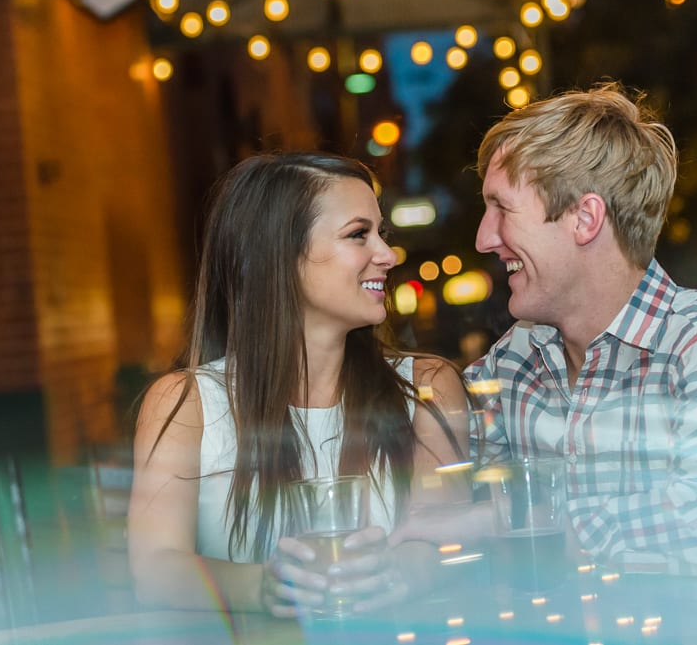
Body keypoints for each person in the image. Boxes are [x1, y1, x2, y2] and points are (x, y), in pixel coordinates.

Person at [127, 152, 469, 616]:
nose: (387, 256)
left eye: (381, 234)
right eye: (358, 235)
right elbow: (155, 569)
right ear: (279, 257)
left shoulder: (426, 388)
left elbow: (444, 538)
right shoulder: (188, 404)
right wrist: (262, 588)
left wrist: (398, 574)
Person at [463, 83, 697, 576]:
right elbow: (435, 475)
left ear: (584, 219)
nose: (483, 238)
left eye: (502, 208)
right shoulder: (517, 356)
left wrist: (538, 524)